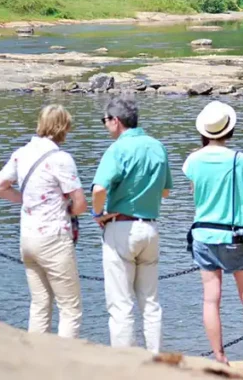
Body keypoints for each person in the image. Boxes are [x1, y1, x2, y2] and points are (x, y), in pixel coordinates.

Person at [0, 104, 87, 338]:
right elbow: (81, 203)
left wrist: (26, 199)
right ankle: (64, 365)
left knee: (40, 304)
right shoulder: (61, 158)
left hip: (28, 238)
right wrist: (70, 210)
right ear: (64, 127)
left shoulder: (21, 153)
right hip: (54, 237)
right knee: (70, 308)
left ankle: (35, 363)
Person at [184, 101, 243, 363]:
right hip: (235, 236)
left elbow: (195, 193)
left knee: (210, 300)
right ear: (229, 130)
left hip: (204, 236)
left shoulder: (192, 160)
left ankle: (219, 355)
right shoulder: (241, 160)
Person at [92, 98, 172, 353]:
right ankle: (156, 357)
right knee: (151, 302)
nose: (105, 126)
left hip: (121, 227)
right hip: (150, 228)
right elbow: (166, 191)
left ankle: (125, 362)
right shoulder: (158, 146)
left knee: (121, 303)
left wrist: (98, 214)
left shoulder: (117, 149)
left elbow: (99, 188)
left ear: (116, 121)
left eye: (105, 121)